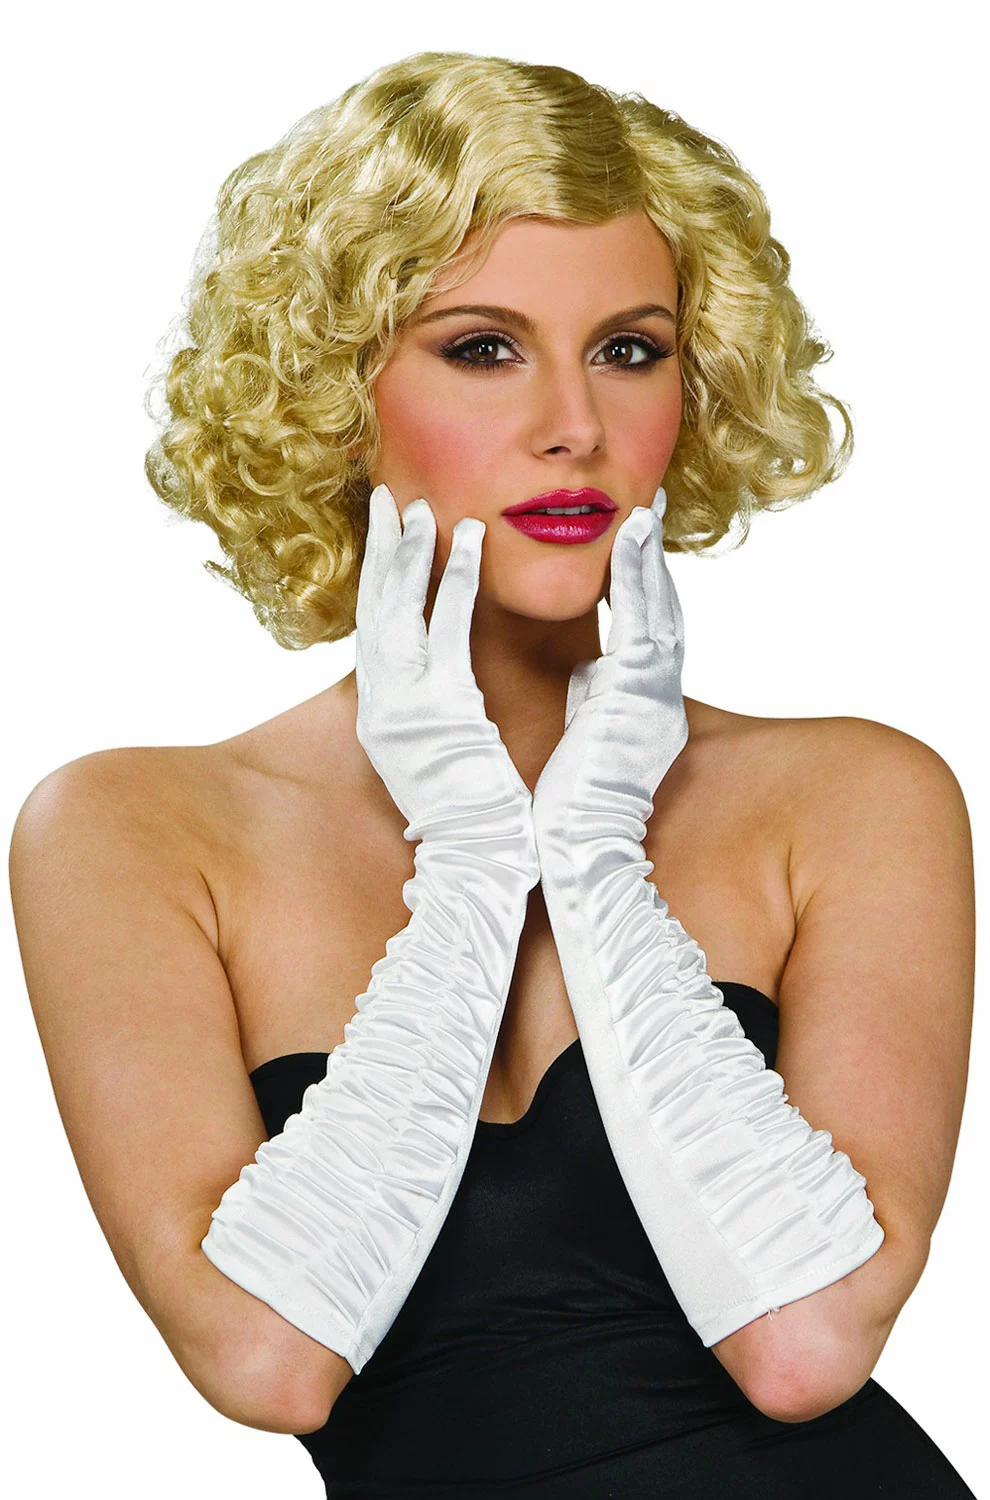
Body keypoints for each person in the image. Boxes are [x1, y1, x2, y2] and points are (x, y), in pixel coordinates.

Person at [9, 49, 976, 1498]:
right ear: (335, 392)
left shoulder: (851, 798)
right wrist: (470, 849)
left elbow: (804, 1346)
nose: (573, 423)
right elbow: (269, 1360)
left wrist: (590, 850)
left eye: (630, 350)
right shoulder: (135, 832)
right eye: (482, 349)